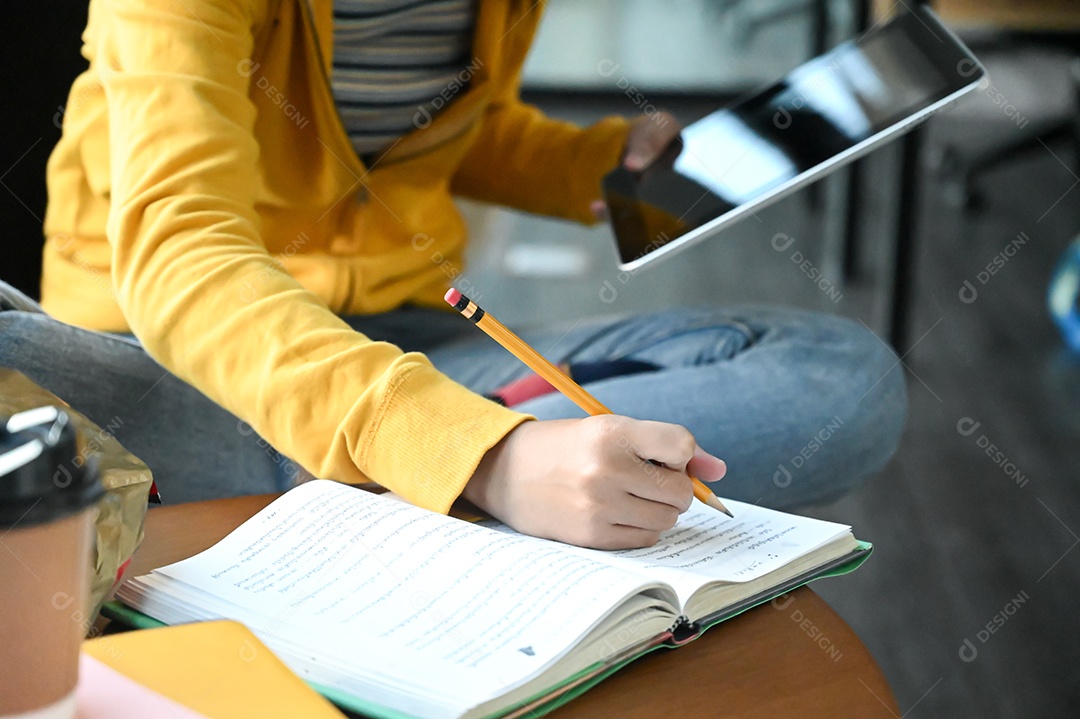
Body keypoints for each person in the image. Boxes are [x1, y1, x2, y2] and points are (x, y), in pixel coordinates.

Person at [0, 0, 905, 550]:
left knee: (839, 378)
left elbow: (431, 129)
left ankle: (374, 491)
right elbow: (180, 253)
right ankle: (436, 473)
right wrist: (488, 453)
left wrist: (596, 166)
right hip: (183, 358)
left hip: (397, 331)